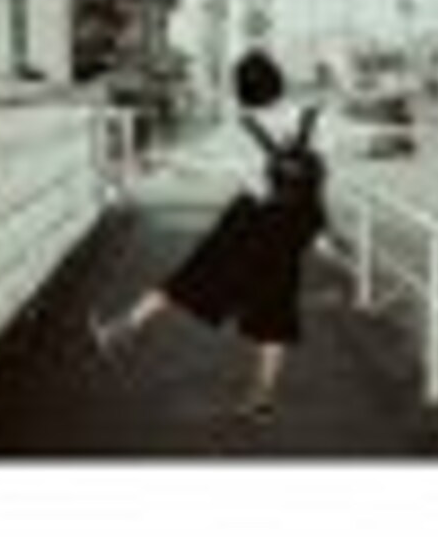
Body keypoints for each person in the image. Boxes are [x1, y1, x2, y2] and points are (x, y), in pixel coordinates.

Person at [89, 49, 328, 416]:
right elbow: (336, 159)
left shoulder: (240, 129)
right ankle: (262, 396)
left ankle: (122, 329)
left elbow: (199, 166)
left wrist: (159, 159)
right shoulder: (310, 119)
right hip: (291, 228)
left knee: (191, 276)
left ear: (241, 90)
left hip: (250, 221)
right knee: (276, 309)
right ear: (279, 82)